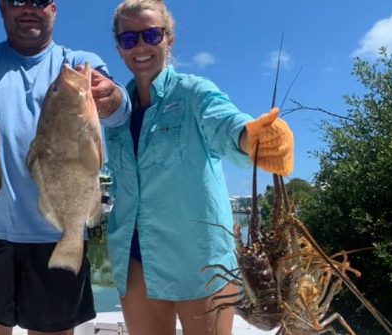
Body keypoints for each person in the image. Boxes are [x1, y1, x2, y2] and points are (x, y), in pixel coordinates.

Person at [0, 1, 130, 335]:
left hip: (58, 232)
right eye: (18, 0)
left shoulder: (77, 63)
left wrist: (112, 97)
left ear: (54, 9)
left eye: (40, 0)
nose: (29, 8)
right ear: (3, 8)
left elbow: (119, 111)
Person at [104, 1, 295, 335]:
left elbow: (224, 123)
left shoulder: (194, 92)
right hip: (133, 261)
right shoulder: (116, 113)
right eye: (129, 39)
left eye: (151, 34)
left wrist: (252, 139)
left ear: (169, 38)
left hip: (201, 262)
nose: (141, 47)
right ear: (119, 47)